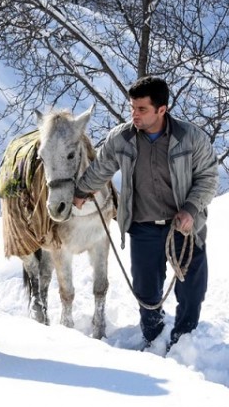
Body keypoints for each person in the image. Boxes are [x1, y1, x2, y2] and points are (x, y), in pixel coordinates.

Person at [73, 76, 218, 351]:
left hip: (184, 227)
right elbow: (101, 169)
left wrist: (190, 210)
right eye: (132, 108)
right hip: (143, 226)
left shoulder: (190, 137)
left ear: (161, 110)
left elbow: (209, 177)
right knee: (145, 290)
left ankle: (183, 342)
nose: (134, 115)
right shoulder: (122, 138)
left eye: (142, 109)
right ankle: (153, 338)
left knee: (191, 290)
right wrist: (79, 192)